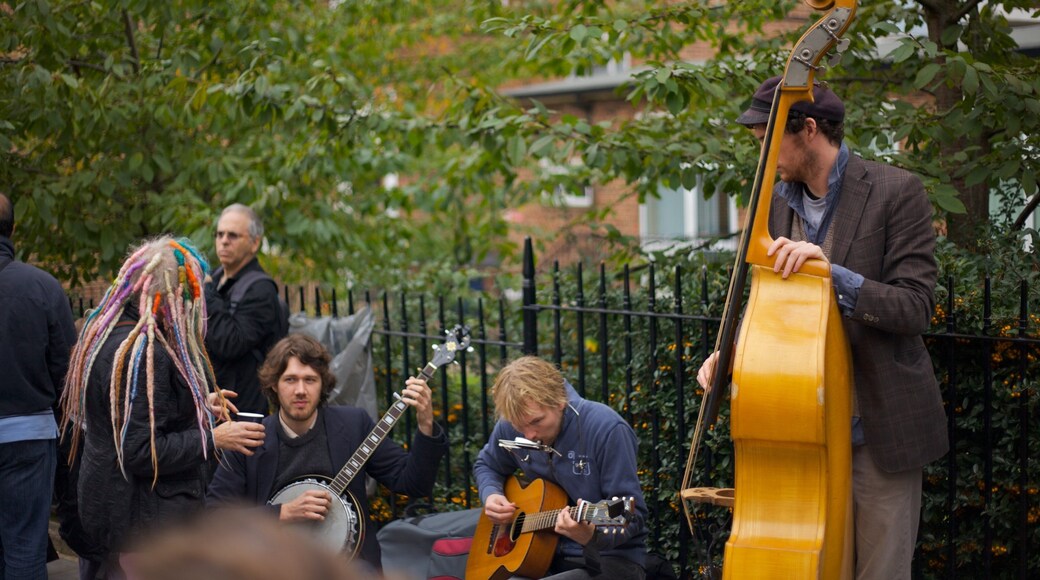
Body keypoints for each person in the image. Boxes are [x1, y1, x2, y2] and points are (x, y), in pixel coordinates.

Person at [697, 76, 948, 579]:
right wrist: (735, 353)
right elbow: (767, 300)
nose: (764, 156)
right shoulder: (774, 201)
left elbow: (916, 308)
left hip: (877, 431)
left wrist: (833, 276)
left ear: (808, 129)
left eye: (769, 141)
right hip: (801, 430)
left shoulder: (897, 191)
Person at [60, 236, 265, 575]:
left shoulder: (108, 334)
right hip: (142, 526)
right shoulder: (143, 352)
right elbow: (139, 450)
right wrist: (215, 438)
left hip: (119, 512)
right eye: (190, 299)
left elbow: (137, 413)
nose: (194, 310)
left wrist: (198, 403)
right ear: (170, 299)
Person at [206, 333, 447, 570]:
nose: (300, 390)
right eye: (290, 379)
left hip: (350, 567)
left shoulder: (354, 425)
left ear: (322, 385)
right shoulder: (250, 439)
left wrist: (426, 424)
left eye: (310, 380)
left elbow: (413, 484)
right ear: (274, 386)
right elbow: (216, 519)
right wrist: (284, 512)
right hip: (275, 566)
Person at [473, 356, 648, 579]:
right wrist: (491, 494)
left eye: (536, 422)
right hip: (542, 556)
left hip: (610, 558)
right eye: (519, 426)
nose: (529, 436)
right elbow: (487, 464)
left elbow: (631, 514)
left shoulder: (606, 428)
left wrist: (591, 535)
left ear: (560, 400)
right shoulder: (513, 425)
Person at [0, 193, 77, 579]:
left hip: (27, 433)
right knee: (25, 548)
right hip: (28, 437)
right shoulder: (42, 287)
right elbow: (69, 373)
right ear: (12, 230)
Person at [205, 204, 288, 415]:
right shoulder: (214, 278)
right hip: (210, 406)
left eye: (233, 235)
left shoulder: (261, 290)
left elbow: (230, 343)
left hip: (242, 411)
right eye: (220, 234)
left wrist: (205, 292)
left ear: (254, 243)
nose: (224, 240)